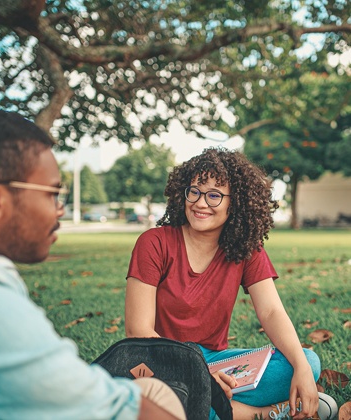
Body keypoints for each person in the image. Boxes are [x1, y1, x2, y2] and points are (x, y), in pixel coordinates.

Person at [0, 109, 186, 420]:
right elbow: (119, 411)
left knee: (154, 391)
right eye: (52, 194)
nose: (60, 210)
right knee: (157, 398)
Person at [125, 147, 338, 420]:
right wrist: (200, 376)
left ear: (234, 202)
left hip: (216, 363)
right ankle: (265, 414)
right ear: (183, 193)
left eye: (214, 195)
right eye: (195, 191)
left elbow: (271, 311)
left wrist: (301, 369)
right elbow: (138, 331)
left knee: (307, 361)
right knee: (162, 398)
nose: (201, 203)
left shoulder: (246, 249)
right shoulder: (154, 243)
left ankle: (206, 407)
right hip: (161, 363)